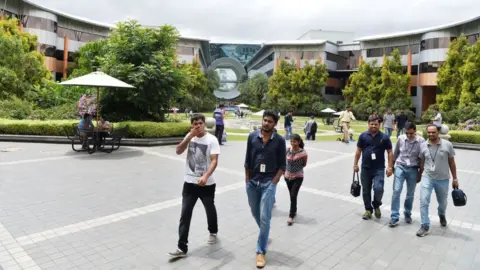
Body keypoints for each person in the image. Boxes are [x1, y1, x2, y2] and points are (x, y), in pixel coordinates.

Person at [168, 114, 221, 258]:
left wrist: (205, 176)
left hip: (207, 184)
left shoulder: (212, 140)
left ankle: (213, 231)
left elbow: (214, 161)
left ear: (204, 124)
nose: (198, 126)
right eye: (195, 124)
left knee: (210, 209)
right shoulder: (190, 136)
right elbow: (178, 151)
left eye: (200, 123)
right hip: (190, 183)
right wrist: (189, 136)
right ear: (192, 125)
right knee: (185, 214)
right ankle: (181, 248)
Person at [244, 110, 286, 268]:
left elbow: (282, 165)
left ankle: (260, 251)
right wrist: (247, 179)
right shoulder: (252, 137)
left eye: (270, 121)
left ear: (275, 124)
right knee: (255, 212)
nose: (266, 123)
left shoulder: (280, 141)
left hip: (269, 182)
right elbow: (247, 159)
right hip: (253, 182)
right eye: (265, 120)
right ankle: (264, 233)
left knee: (264, 217)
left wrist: (274, 182)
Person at [416, 124, 459, 237]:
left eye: (433, 132)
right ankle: (425, 225)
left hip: (443, 179)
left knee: (443, 203)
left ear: (438, 132)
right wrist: (420, 174)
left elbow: (452, 163)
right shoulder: (423, 145)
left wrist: (455, 178)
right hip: (427, 177)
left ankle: (441, 214)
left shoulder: (447, 145)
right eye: (429, 132)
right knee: (424, 201)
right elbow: (422, 162)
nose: (431, 134)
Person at [354, 115, 393, 220]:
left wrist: (390, 167)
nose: (373, 126)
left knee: (378, 188)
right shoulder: (363, 136)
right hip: (365, 168)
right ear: (368, 124)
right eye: (371, 124)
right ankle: (368, 210)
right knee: (366, 190)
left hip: (379, 169)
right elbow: (358, 150)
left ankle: (376, 205)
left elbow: (390, 152)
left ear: (379, 125)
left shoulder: (384, 137)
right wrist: (355, 164)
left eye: (376, 124)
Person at [389, 122, 425, 227]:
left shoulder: (421, 141)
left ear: (415, 131)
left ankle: (407, 213)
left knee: (410, 194)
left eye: (411, 133)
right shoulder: (400, 138)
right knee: (396, 191)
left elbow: (422, 159)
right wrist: (391, 167)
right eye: (407, 133)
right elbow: (395, 154)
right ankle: (394, 217)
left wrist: (420, 173)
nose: (409, 135)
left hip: (413, 169)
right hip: (400, 166)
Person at [284, 134, 308, 226]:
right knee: (292, 195)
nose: (292, 143)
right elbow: (284, 162)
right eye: (291, 141)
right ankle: (294, 210)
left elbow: (304, 164)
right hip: (287, 177)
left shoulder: (303, 153)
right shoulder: (287, 151)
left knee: (293, 195)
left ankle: (291, 216)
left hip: (298, 177)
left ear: (299, 142)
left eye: (294, 141)